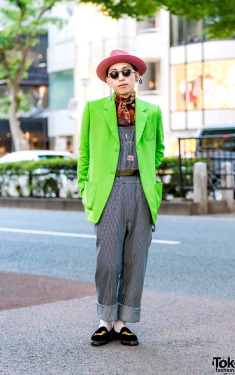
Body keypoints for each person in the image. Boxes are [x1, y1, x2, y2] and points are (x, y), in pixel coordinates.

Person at [77, 50, 165, 346]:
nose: (121, 78)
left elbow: (159, 150)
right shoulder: (93, 109)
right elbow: (84, 155)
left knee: (136, 259)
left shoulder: (151, 111)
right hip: (108, 192)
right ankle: (104, 321)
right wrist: (85, 189)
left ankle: (123, 323)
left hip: (140, 190)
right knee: (108, 261)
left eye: (126, 72)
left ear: (137, 75)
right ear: (108, 81)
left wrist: (149, 181)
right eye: (113, 74)